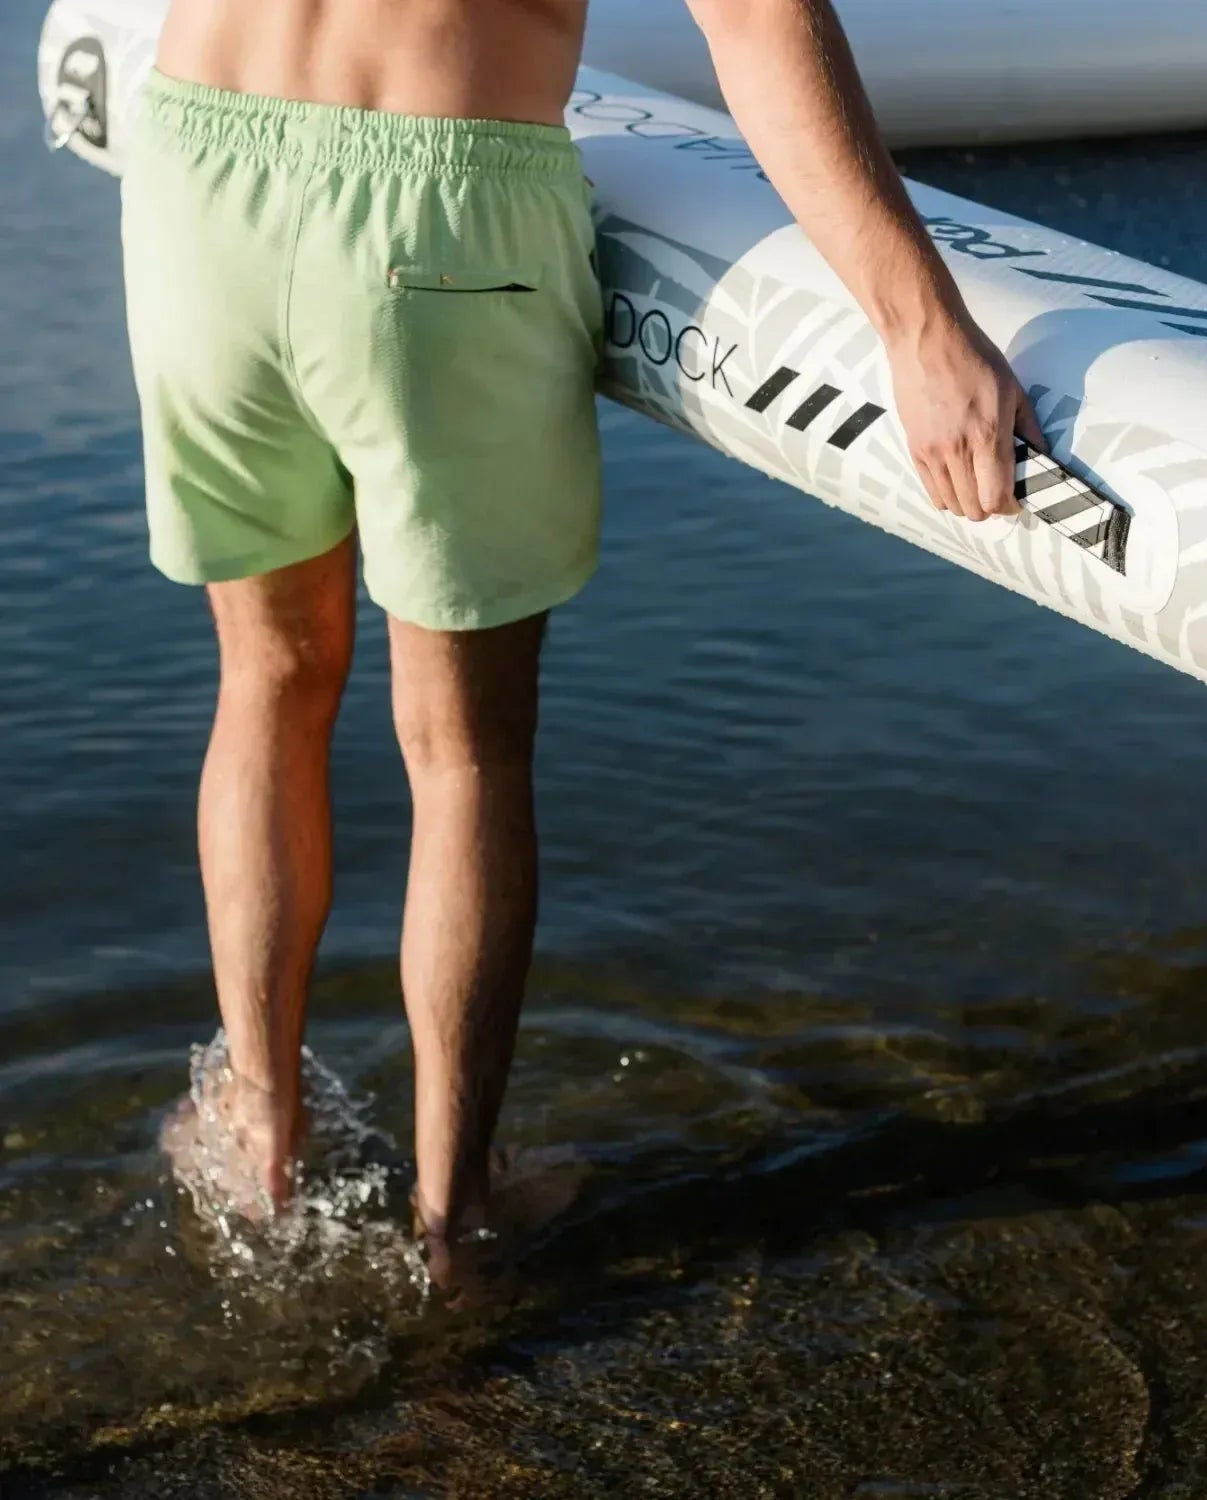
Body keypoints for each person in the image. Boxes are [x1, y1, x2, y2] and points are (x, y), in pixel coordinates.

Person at [130, 0, 1045, 1270]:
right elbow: (757, 20)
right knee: (462, 754)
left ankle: (257, 1134)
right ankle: (457, 1219)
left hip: (198, 167)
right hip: (433, 201)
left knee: (269, 677)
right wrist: (919, 320)